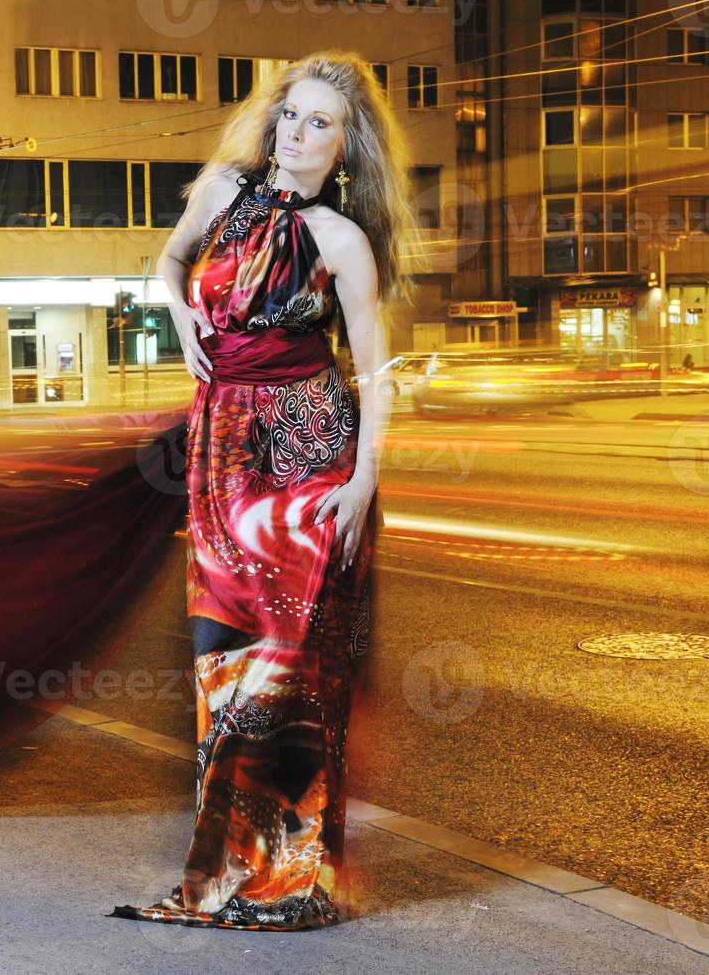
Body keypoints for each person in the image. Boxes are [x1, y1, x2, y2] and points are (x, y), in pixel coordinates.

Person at [109, 50, 414, 932]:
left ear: (346, 149)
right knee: (221, 655)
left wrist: (363, 477)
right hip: (221, 454)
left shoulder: (342, 242)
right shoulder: (217, 194)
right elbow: (165, 265)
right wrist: (180, 313)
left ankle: (290, 870)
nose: (297, 132)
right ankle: (232, 861)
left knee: (284, 667)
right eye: (291, 114)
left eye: (321, 123)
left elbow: (375, 366)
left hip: (305, 456)